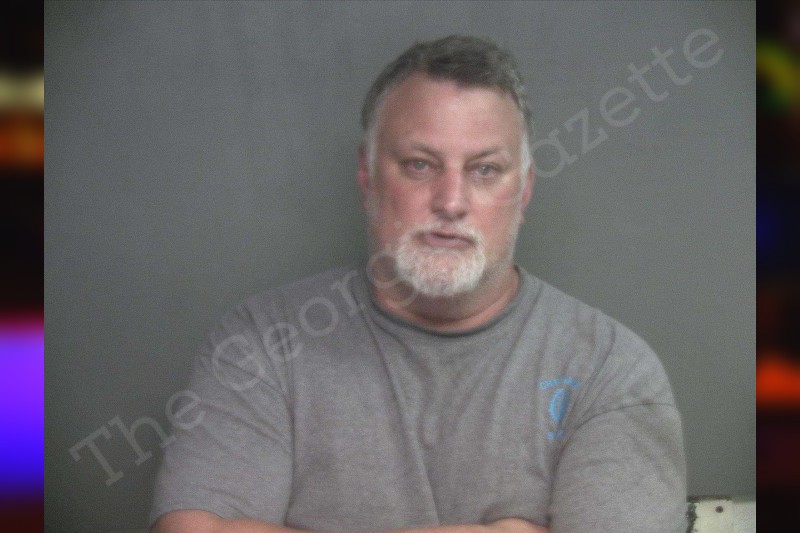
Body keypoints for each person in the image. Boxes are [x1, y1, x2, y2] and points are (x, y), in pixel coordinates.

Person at [150, 35, 687, 533]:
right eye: (419, 165)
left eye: (484, 170)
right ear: (367, 177)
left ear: (523, 192)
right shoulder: (263, 344)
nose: (451, 201)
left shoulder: (608, 368)